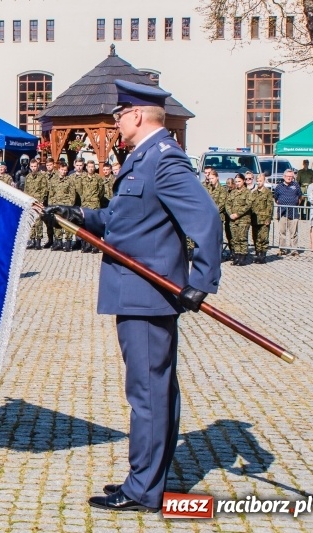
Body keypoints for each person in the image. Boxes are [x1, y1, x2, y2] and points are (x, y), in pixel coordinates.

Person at [46, 80, 221, 512]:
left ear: (138, 116)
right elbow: (124, 222)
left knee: (148, 394)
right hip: (135, 294)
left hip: (149, 295)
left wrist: (202, 279)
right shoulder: (141, 160)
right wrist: (83, 216)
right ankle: (146, 476)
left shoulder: (163, 161)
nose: (116, 120)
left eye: (121, 114)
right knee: (152, 391)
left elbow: (207, 218)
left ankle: (144, 490)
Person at [46, 160, 77, 251]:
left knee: (67, 224)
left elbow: (72, 194)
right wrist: (51, 205)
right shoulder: (53, 180)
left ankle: (68, 242)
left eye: (65, 170)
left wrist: (70, 205)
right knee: (57, 224)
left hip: (66, 206)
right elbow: (51, 194)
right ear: (59, 169)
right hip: (56, 205)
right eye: (62, 170)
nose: (64, 172)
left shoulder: (70, 180)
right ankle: (58, 242)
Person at [273, 169, 303, 256]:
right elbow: (276, 198)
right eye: (287, 176)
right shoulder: (279, 187)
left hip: (293, 212)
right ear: (284, 177)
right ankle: (282, 249)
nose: (289, 178)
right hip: (282, 212)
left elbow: (300, 197)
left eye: (291, 176)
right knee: (282, 232)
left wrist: (296, 204)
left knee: (293, 233)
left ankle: (294, 250)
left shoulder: (296, 185)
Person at [225, 173, 252, 266]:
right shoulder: (232, 192)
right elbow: (227, 204)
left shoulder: (247, 192)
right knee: (235, 239)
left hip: (243, 219)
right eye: (236, 182)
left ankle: (243, 257)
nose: (237, 183)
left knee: (242, 238)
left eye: (239, 181)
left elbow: (248, 205)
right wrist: (230, 214)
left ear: (243, 181)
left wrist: (237, 214)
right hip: (233, 219)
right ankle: (236, 256)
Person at [23, 158, 48, 249]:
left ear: (38, 167)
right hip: (30, 202)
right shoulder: (28, 177)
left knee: (38, 222)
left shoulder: (42, 177)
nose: (33, 168)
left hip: (38, 202)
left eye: (35, 166)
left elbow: (44, 190)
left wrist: (41, 201)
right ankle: (32, 240)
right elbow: (26, 189)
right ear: (30, 167)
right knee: (31, 222)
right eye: (32, 166)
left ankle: (38, 241)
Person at [249, 173, 274, 263]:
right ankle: (258, 253)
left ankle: (262, 255)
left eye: (261, 181)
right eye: (258, 181)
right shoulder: (254, 192)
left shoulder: (267, 192)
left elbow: (270, 206)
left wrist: (268, 218)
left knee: (263, 237)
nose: (259, 183)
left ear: (264, 181)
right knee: (255, 237)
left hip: (264, 219)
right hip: (255, 219)